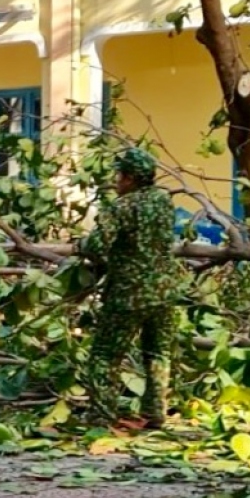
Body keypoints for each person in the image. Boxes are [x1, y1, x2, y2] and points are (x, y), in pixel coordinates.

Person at [77, 148, 186, 430]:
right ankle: (155, 413)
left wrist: (82, 246)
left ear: (129, 177)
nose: (116, 180)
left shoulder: (120, 207)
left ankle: (102, 417)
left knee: (105, 355)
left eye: (119, 174)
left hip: (129, 293)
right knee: (158, 353)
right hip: (164, 290)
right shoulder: (164, 201)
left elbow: (98, 245)